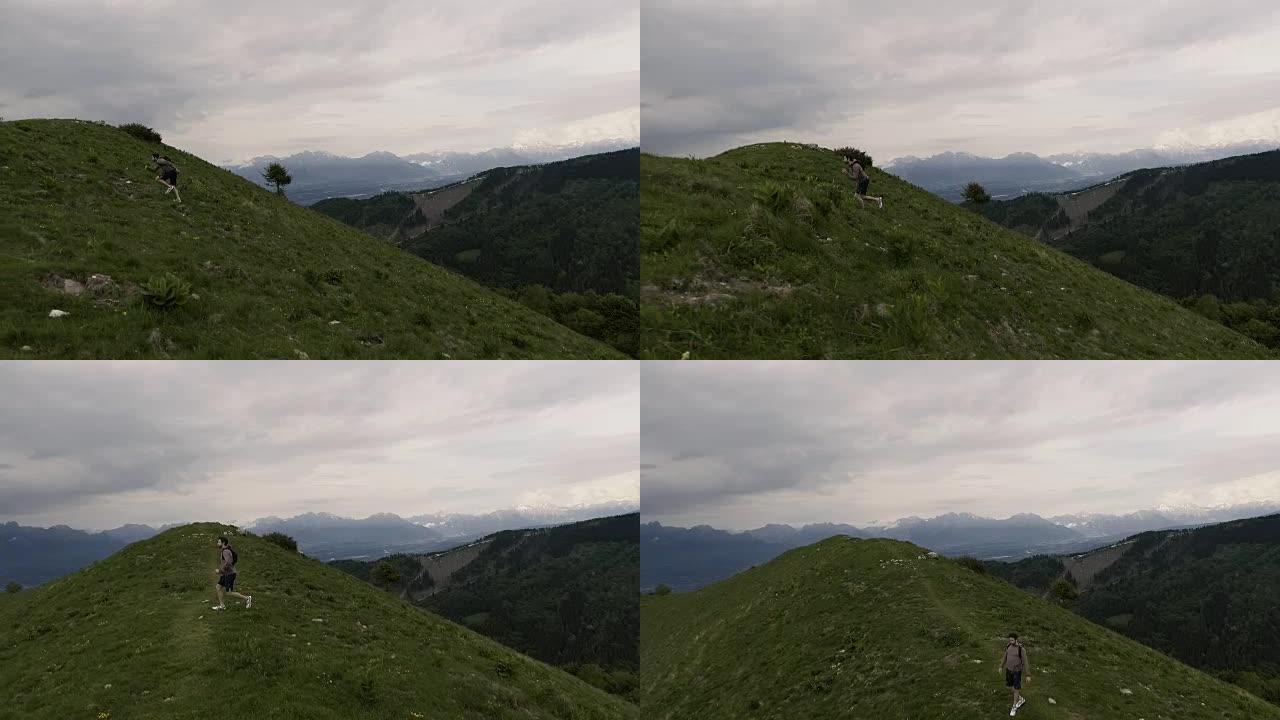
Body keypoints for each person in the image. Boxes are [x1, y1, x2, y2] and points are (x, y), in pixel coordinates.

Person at [213, 536, 252, 610]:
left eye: (218, 542)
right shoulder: (225, 550)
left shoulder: (225, 551)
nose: (217, 543)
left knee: (229, 593)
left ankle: (247, 598)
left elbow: (228, 562)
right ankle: (222, 606)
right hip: (226, 574)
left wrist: (220, 571)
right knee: (218, 587)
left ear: (223, 543)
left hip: (230, 574)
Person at [999, 633, 1030, 715]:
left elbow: (1026, 662)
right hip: (1008, 670)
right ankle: (1020, 699)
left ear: (1016, 640)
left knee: (1016, 689)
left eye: (1012, 640)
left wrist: (1028, 675)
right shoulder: (1008, 646)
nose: (1010, 641)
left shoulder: (1021, 650)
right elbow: (1005, 656)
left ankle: (1014, 706)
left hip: (1016, 672)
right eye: (1010, 640)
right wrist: (1001, 666)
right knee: (1011, 687)